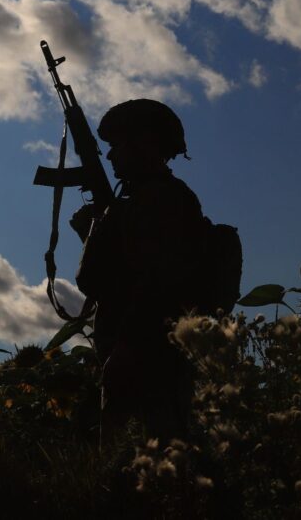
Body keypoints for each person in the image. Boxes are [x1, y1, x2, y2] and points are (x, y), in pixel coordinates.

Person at [70, 99, 206, 448]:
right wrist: (94, 232)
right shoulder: (134, 203)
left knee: (154, 460)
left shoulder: (163, 200)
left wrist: (128, 349)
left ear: (145, 143)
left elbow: (158, 283)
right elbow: (105, 278)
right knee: (124, 463)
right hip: (127, 348)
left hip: (146, 353)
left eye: (118, 145)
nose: (111, 156)